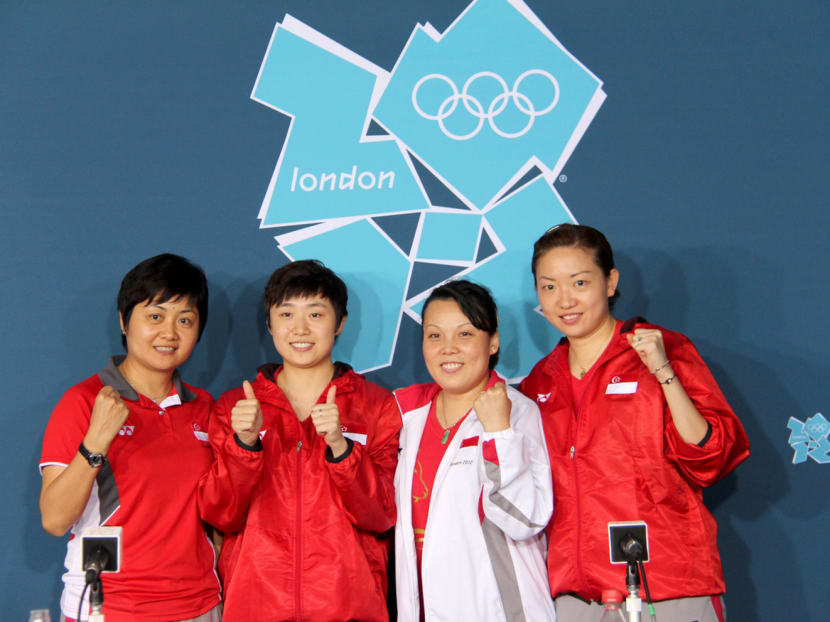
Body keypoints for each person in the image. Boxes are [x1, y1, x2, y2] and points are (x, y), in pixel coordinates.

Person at [519, 224, 750, 622]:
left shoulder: (663, 349)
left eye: (579, 282)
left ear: (610, 282)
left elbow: (711, 458)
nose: (565, 300)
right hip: (576, 598)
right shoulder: (539, 381)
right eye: (549, 286)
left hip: (668, 587)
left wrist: (662, 371)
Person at [197, 259, 401, 621]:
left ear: (340, 323)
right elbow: (220, 515)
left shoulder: (377, 406)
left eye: (316, 314)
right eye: (287, 314)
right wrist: (244, 445)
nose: (300, 329)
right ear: (270, 323)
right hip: (256, 606)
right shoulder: (234, 407)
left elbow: (381, 515)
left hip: (349, 608)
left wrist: (341, 448)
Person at [39, 253, 221, 622]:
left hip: (198, 606)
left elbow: (218, 515)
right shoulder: (84, 401)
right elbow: (55, 519)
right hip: (108, 607)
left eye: (185, 319)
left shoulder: (204, 407)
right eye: (155, 316)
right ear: (124, 321)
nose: (169, 333)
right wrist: (95, 443)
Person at [394, 280, 555, 622]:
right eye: (435, 335)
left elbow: (524, 518)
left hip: (499, 612)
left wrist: (499, 433)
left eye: (465, 334)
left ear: (493, 341)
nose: (448, 348)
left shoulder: (517, 411)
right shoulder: (408, 415)